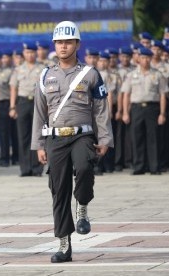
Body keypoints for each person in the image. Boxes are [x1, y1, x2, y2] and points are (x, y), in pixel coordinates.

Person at [31, 21, 113, 263]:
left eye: (68, 42)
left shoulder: (90, 74)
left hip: (82, 135)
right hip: (55, 138)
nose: (63, 46)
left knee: (86, 167)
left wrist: (105, 138)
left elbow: (101, 109)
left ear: (77, 44)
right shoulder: (46, 75)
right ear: (54, 45)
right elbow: (39, 111)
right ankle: (64, 244)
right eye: (59, 42)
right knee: (58, 190)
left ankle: (83, 206)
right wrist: (38, 145)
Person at [122, 47, 168, 175]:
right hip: (136, 108)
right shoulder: (131, 75)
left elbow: (163, 95)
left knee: (153, 137)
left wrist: (162, 113)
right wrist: (125, 112)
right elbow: (126, 94)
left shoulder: (158, 74)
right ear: (139, 59)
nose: (146, 60)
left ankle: (154, 166)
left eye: (148, 58)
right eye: (143, 57)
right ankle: (139, 166)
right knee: (137, 137)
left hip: (152, 108)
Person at [9, 42, 44, 177]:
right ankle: (25, 168)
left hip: (37, 102)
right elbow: (14, 88)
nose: (30, 55)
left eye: (32, 52)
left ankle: (37, 168)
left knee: (37, 135)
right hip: (22, 102)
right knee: (23, 136)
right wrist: (13, 106)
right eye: (27, 52)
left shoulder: (42, 68)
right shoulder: (18, 69)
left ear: (36, 53)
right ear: (23, 54)